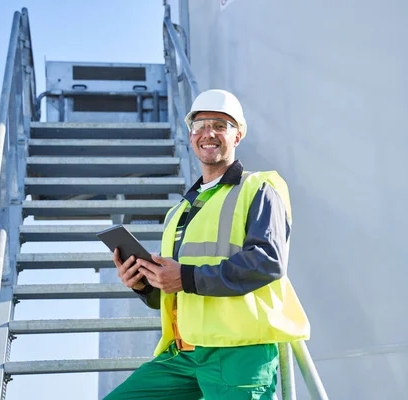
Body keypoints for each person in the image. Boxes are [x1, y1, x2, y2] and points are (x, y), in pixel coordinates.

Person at [104, 89, 310, 400]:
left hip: (240, 352)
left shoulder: (260, 187)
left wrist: (184, 276)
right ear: (191, 138)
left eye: (219, 124)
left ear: (237, 135)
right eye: (199, 126)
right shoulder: (179, 212)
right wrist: (145, 283)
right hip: (183, 354)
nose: (208, 133)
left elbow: (268, 261)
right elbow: (177, 290)